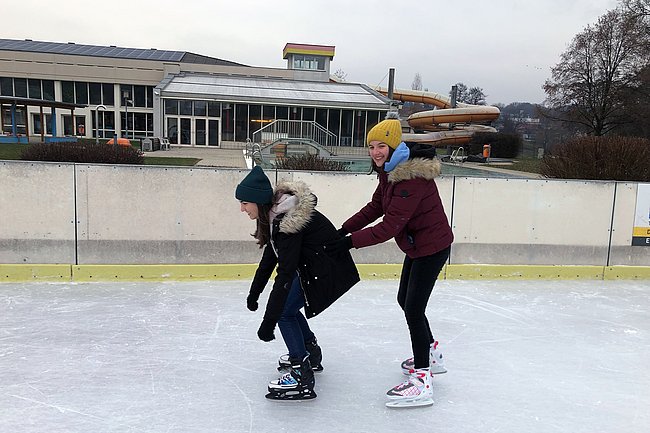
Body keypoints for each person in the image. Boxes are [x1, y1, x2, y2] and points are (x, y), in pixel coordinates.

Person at [324, 111, 453, 408]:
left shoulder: (411, 179)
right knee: (404, 301)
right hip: (418, 247)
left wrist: (348, 243)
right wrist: (343, 229)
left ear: (394, 146)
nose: (375, 152)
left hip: (432, 248)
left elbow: (388, 227)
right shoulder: (390, 172)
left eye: (381, 146)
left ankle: (422, 380)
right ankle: (431, 354)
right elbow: (375, 207)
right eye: (371, 147)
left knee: (413, 309)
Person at [235, 166, 360, 401]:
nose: (242, 209)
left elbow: (285, 273)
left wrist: (268, 322)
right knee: (288, 308)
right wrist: (254, 293)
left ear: (258, 201)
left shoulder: (287, 222)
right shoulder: (275, 216)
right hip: (318, 266)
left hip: (326, 270)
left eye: (244, 203)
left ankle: (301, 374)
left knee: (284, 312)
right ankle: (310, 354)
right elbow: (270, 257)